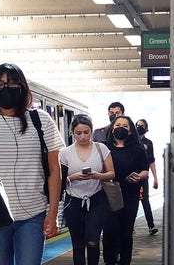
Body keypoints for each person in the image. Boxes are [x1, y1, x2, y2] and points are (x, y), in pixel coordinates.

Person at [0, 63, 65, 265]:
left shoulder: (40, 120)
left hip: (33, 215)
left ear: (23, 87)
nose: (6, 88)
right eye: (0, 84)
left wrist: (53, 213)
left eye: (13, 83)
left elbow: (55, 170)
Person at [59, 114, 115, 265]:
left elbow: (111, 173)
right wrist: (74, 177)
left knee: (93, 241)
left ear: (91, 130)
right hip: (73, 201)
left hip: (97, 199)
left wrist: (98, 175)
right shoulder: (64, 153)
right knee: (78, 245)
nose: (83, 136)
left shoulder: (101, 148)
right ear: (72, 133)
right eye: (78, 133)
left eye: (87, 132)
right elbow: (60, 182)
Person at [102, 116, 149, 265]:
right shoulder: (104, 147)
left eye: (125, 126)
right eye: (117, 125)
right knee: (109, 231)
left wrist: (139, 176)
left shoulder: (138, 148)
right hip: (109, 195)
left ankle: (124, 261)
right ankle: (109, 260)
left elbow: (145, 169)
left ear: (130, 131)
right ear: (112, 128)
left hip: (130, 195)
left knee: (126, 232)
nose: (120, 128)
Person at [136, 119, 159, 235]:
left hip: (143, 176)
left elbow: (151, 161)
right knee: (130, 202)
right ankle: (129, 226)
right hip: (130, 177)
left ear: (146, 128)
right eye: (137, 125)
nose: (139, 127)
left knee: (144, 200)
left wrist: (155, 178)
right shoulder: (130, 141)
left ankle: (151, 225)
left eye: (142, 126)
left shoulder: (148, 143)